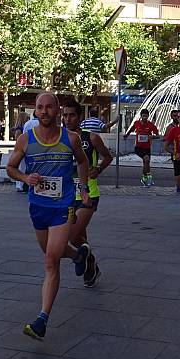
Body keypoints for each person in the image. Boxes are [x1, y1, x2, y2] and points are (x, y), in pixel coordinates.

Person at [6, 92, 92, 340]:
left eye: (49, 108)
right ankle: (78, 254)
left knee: (50, 261)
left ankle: (42, 319)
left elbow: (83, 163)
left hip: (63, 206)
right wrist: (25, 178)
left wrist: (83, 188)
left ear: (57, 110)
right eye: (39, 108)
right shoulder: (25, 139)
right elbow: (11, 168)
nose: (44, 112)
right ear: (35, 111)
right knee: (50, 252)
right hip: (38, 206)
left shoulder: (71, 138)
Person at [62, 99, 113, 288]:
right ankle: (91, 264)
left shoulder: (91, 138)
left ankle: (88, 261)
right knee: (81, 239)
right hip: (66, 195)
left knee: (72, 237)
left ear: (80, 117)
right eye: (65, 115)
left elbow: (108, 156)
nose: (68, 119)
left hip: (87, 194)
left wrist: (98, 169)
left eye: (72, 115)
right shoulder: (59, 138)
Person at [123, 108, 159, 186]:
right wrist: (126, 135)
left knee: (147, 163)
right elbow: (131, 129)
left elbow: (158, 136)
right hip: (138, 147)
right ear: (141, 116)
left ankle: (147, 178)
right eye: (143, 116)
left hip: (147, 147)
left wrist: (152, 136)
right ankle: (145, 178)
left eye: (146, 116)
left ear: (148, 116)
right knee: (146, 159)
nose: (145, 118)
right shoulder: (136, 123)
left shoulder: (151, 125)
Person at [16, 112, 39, 192]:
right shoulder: (40, 123)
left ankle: (22, 185)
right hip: (38, 148)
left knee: (24, 166)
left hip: (26, 147)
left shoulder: (27, 123)